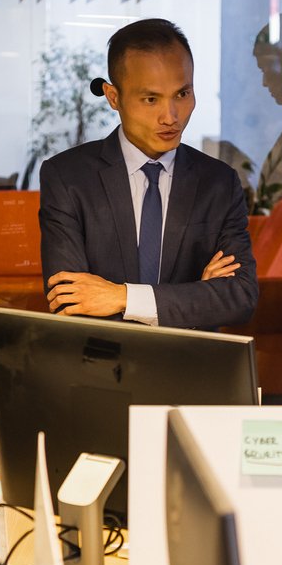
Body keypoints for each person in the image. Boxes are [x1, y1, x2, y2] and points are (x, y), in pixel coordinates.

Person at [38, 17, 259, 331]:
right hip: (101, 369)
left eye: (182, 95)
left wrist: (122, 297)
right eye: (151, 99)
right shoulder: (68, 178)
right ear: (114, 98)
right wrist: (196, 295)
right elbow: (70, 302)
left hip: (188, 369)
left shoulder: (218, 183)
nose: (170, 117)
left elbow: (239, 298)